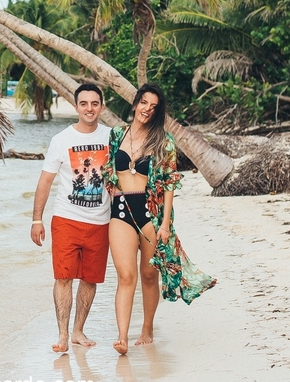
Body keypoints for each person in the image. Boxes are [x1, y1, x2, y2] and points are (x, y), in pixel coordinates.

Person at [102, 83, 215, 355]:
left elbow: (169, 183)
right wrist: (111, 186)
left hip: (150, 213)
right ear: (135, 103)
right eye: (144, 103)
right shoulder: (117, 134)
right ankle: (122, 337)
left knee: (149, 274)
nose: (147, 110)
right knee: (125, 275)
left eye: (153, 107)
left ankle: (147, 327)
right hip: (121, 210)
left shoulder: (164, 142)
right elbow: (108, 168)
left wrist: (165, 224)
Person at [31, 83, 111, 353]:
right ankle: (63, 334)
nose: (89, 109)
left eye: (94, 103)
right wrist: (36, 219)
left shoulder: (113, 137)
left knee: (90, 279)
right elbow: (45, 181)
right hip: (66, 218)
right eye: (84, 104)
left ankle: (78, 331)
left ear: (102, 106)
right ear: (76, 107)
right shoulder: (61, 140)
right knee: (63, 277)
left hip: (101, 221)